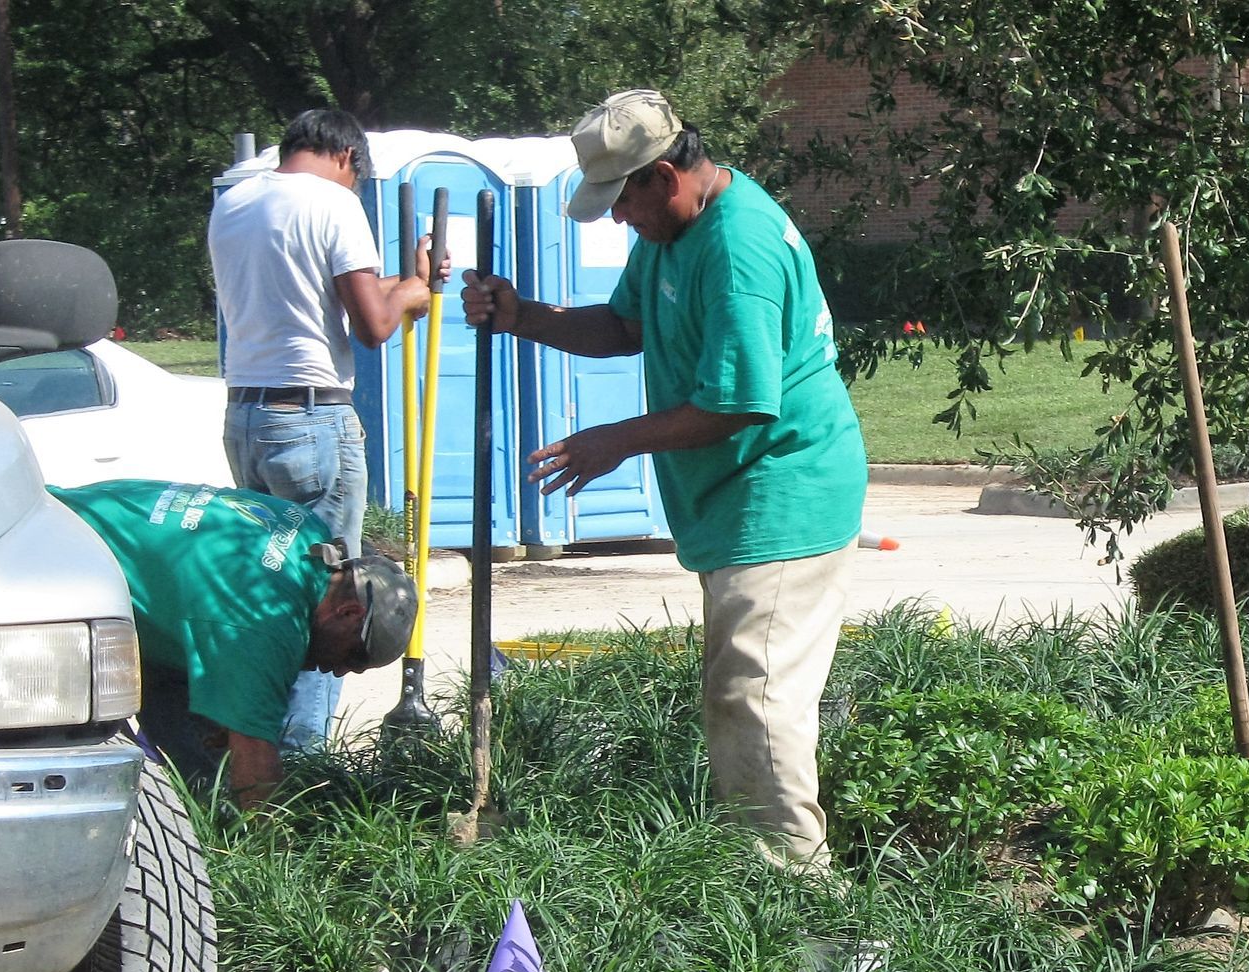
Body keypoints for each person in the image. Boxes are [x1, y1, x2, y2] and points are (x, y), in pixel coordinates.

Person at [461, 88, 868, 869]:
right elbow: (625, 327)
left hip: (783, 489)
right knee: (742, 694)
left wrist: (615, 439)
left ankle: (799, 905)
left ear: (666, 175)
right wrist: (523, 315)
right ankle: (754, 876)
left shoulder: (737, 247)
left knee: (755, 698)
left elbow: (740, 404)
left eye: (624, 201)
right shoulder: (672, 231)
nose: (619, 220)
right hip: (736, 497)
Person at [208, 107, 436, 752]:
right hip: (312, 419)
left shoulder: (236, 203)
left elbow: (316, 301)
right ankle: (304, 763)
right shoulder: (334, 205)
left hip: (249, 416)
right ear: (347, 159)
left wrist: (405, 285)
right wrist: (416, 286)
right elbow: (373, 326)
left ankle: (255, 749)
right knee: (334, 599)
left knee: (273, 588)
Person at [53, 480, 418, 809]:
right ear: (349, 613)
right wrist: (270, 854)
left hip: (61, 514)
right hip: (47, 569)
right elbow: (256, 766)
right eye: (355, 656)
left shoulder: (309, 532)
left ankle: (198, 815)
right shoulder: (264, 622)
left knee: (195, 733)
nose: (339, 670)